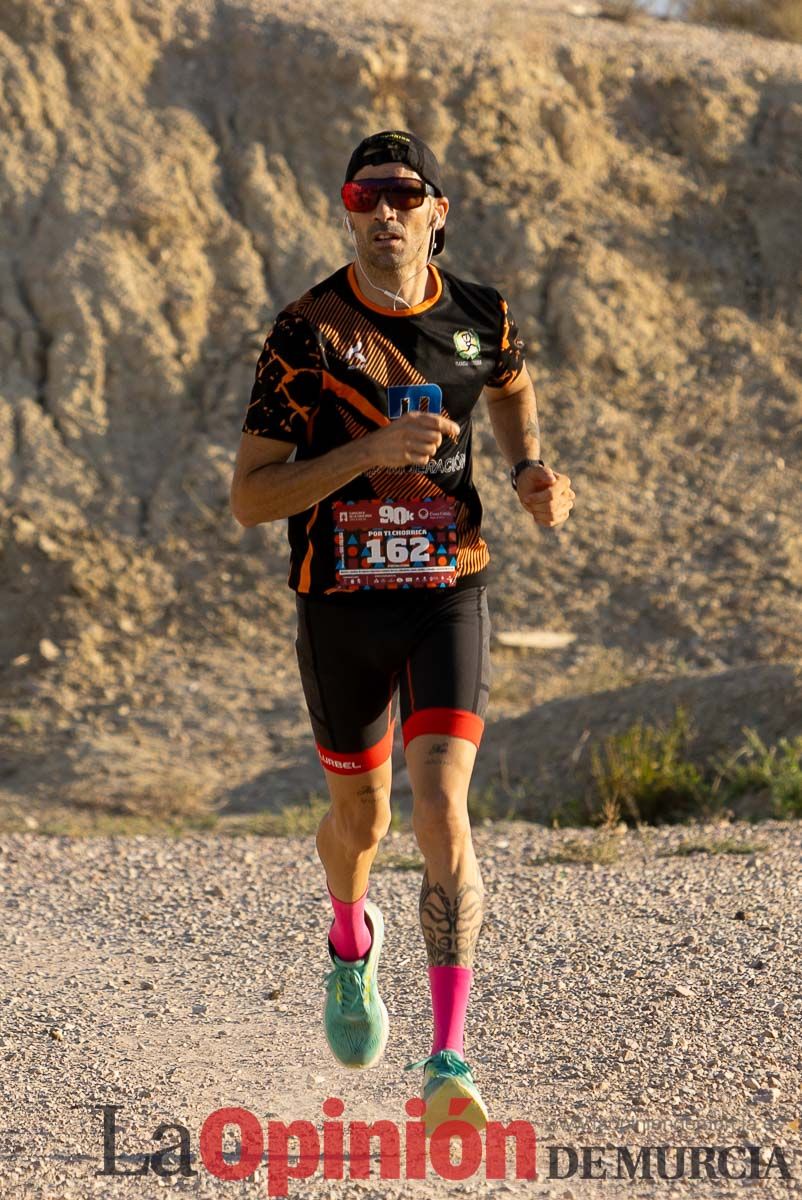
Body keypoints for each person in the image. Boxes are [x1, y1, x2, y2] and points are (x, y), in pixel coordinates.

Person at [230, 129, 575, 1135]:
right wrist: (371, 449)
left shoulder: (479, 315)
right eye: (362, 197)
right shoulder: (307, 331)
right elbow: (252, 498)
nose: (383, 213)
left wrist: (527, 473)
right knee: (363, 826)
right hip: (339, 600)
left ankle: (447, 1059)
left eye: (402, 195)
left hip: (446, 590)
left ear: (437, 208)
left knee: (441, 808)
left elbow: (507, 384)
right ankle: (350, 942)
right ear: (347, 211)